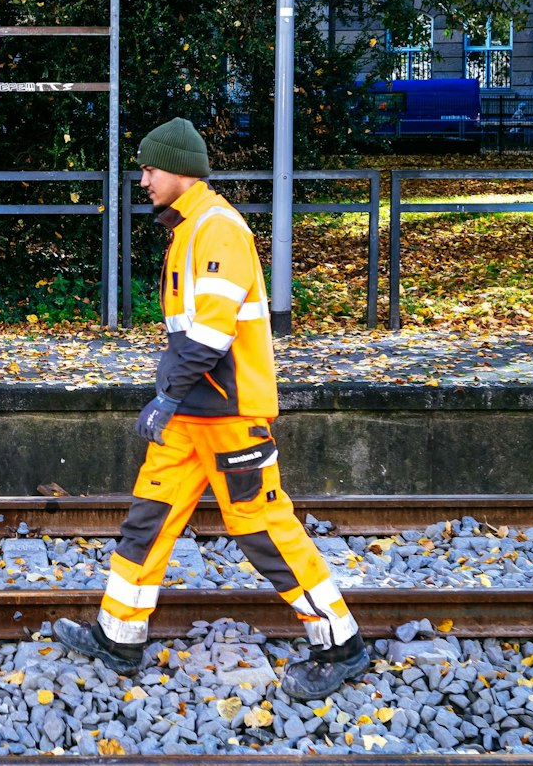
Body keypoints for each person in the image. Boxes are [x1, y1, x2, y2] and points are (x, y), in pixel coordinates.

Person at [52, 117, 372, 701]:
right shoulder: (190, 227)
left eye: (149, 169)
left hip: (227, 416)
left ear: (177, 169)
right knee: (147, 520)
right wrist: (174, 399)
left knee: (263, 531)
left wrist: (166, 394)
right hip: (195, 416)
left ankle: (340, 645)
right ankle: (118, 636)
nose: (143, 179)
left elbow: (208, 335)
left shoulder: (216, 228)